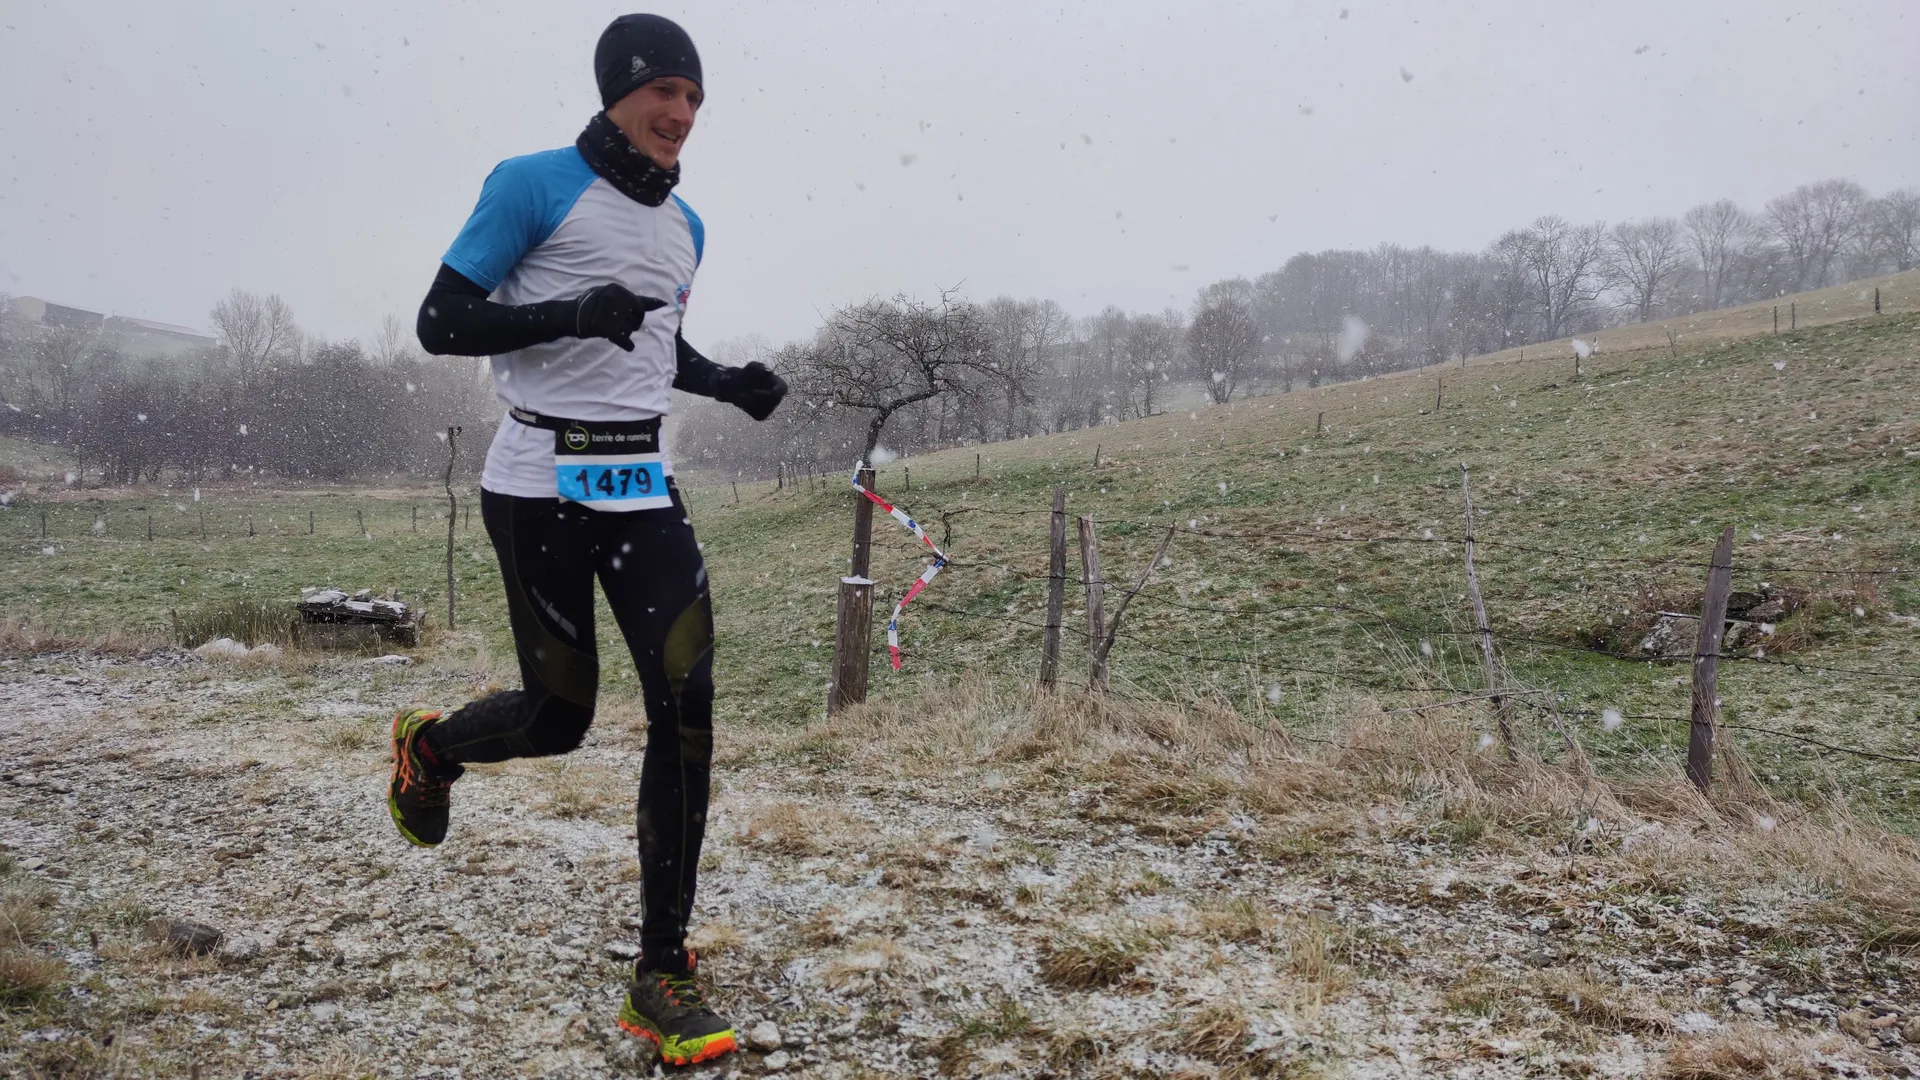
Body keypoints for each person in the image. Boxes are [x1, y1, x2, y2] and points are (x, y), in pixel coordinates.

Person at [388, 13, 785, 1067]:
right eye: (666, 91)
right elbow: (441, 322)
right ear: (618, 90)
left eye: (697, 98)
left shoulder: (686, 225)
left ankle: (662, 969)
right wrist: (566, 312)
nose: (683, 113)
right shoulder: (530, 183)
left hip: (640, 479)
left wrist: (722, 381)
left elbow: (648, 342)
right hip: (538, 479)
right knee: (559, 718)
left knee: (687, 702)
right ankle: (430, 749)